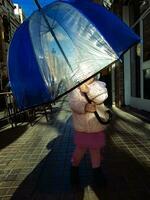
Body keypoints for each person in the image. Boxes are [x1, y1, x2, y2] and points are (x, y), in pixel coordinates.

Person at [68, 77, 109, 186]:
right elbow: (73, 104)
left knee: (95, 150)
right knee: (80, 150)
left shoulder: (99, 84)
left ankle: (97, 174)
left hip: (96, 126)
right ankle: (74, 169)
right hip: (82, 127)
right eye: (85, 74)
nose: (88, 76)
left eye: (90, 74)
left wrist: (89, 91)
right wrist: (85, 106)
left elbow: (102, 97)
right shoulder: (74, 89)